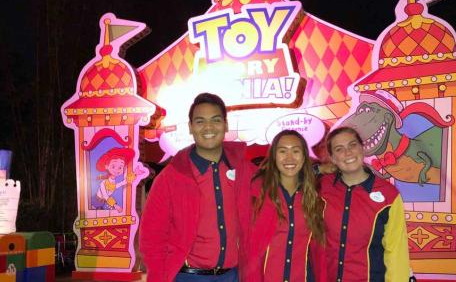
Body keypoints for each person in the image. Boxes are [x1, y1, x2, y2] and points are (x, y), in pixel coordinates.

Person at [139, 93, 257, 282]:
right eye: (200, 121)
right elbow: (152, 238)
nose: (209, 127)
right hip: (187, 277)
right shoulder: (170, 178)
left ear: (226, 125)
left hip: (234, 276)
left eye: (216, 120)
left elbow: (276, 188)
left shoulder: (245, 170)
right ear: (191, 127)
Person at [317, 126, 410, 281]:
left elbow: (396, 252)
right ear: (333, 158)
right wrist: (319, 168)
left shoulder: (388, 195)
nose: (348, 153)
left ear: (362, 148)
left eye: (352, 145)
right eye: (339, 149)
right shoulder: (321, 188)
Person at [238, 129, 326, 282]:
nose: (289, 157)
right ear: (273, 156)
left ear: (305, 156)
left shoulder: (315, 194)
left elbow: (318, 250)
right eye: (282, 151)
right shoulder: (255, 190)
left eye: (296, 151)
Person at [95, 147, 135, 212]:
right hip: (99, 201)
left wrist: (135, 174)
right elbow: (106, 196)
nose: (117, 170)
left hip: (106, 202)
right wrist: (115, 206)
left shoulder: (112, 181)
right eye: (113, 166)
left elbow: (118, 185)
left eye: (120, 167)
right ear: (106, 166)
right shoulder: (103, 183)